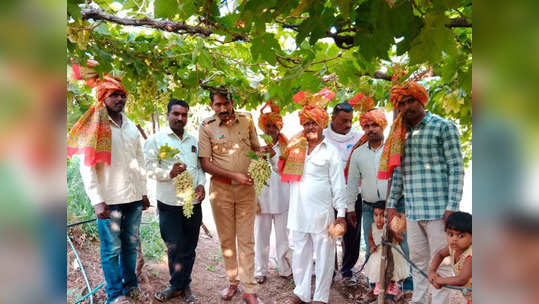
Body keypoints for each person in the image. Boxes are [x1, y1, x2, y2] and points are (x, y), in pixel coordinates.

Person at [67, 68, 150, 304]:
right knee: (111, 250)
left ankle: (131, 285)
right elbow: (87, 167)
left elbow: (139, 161)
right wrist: (97, 200)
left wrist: (143, 192)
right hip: (109, 201)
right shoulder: (95, 127)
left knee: (130, 246)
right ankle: (115, 295)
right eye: (114, 95)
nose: (119, 99)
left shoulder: (131, 126)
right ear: (102, 97)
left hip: (133, 198)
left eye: (122, 95)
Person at [382, 81, 465, 304]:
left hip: (440, 211)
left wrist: (452, 208)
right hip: (413, 211)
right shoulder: (399, 134)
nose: (407, 107)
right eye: (402, 103)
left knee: (443, 264)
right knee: (417, 261)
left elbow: (456, 168)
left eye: (411, 101)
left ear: (421, 101)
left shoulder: (443, 126)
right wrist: (391, 205)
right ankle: (418, 301)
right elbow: (398, 172)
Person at [198, 89, 270, 304]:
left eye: (226, 104)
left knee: (246, 239)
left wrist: (264, 154)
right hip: (221, 190)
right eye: (217, 104)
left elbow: (256, 149)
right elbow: (205, 163)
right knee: (227, 239)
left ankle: (250, 289)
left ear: (232, 102)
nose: (222, 109)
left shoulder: (246, 120)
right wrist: (233, 175)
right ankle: (233, 281)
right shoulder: (206, 126)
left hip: (247, 189)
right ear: (212, 105)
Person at [280, 88, 348, 304]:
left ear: (322, 125)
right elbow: (279, 168)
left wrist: (341, 214)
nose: (310, 127)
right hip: (298, 212)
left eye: (314, 123)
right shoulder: (294, 149)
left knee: (325, 256)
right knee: (300, 252)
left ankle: (320, 297)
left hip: (322, 214)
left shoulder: (331, 152)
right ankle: (301, 292)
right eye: (307, 123)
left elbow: (339, 185)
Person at [143, 99, 206, 303]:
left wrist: (202, 185)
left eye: (184, 115)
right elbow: (149, 168)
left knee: (189, 246)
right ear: (168, 114)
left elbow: (200, 168)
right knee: (174, 246)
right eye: (176, 114)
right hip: (169, 202)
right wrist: (168, 173)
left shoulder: (194, 140)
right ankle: (176, 284)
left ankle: (183, 285)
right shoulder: (156, 140)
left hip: (192, 203)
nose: (180, 118)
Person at [323, 101, 364, 286]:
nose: (348, 125)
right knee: (328, 232)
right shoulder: (322, 136)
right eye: (343, 121)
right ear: (333, 118)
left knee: (352, 233)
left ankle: (347, 270)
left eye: (350, 121)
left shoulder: (359, 137)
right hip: (328, 193)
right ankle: (328, 270)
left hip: (354, 192)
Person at [254, 101, 292, 284]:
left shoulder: (288, 147)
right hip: (262, 201)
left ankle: (284, 269)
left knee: (283, 238)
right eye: (267, 126)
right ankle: (260, 271)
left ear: (279, 128)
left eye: (274, 126)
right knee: (261, 237)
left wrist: (273, 155)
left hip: (283, 199)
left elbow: (284, 170)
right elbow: (252, 175)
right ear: (262, 127)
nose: (270, 129)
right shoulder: (256, 148)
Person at [363, 202, 409, 302]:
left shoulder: (392, 225)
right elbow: (370, 238)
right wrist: (372, 246)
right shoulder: (373, 226)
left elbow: (400, 239)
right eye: (376, 215)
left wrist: (394, 233)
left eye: (382, 215)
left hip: (392, 253)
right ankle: (379, 294)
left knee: (392, 273)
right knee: (378, 272)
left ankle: (391, 296)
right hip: (378, 253)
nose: (378, 218)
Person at [428, 212, 472, 304]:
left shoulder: (471, 256)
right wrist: (432, 271)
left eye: (461, 236)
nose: (454, 239)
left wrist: (440, 281)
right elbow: (440, 254)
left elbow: (462, 279)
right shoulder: (453, 248)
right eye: (450, 234)